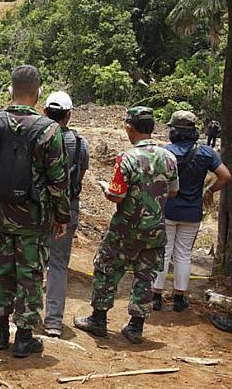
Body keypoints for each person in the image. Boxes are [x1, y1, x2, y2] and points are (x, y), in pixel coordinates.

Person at [0, 65, 70, 358]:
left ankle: (0, 333)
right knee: (30, 274)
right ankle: (25, 338)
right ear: (38, 92)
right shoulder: (50, 130)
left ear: (10, 90)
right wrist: (62, 217)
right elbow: (58, 179)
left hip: (0, 215)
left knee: (0, 270)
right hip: (34, 219)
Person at [75, 107, 179, 344]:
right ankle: (135, 327)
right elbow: (174, 191)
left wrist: (105, 187)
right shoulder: (169, 158)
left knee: (106, 268)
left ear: (130, 128)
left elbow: (116, 196)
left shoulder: (128, 158)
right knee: (145, 277)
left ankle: (98, 320)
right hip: (155, 230)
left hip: (125, 230)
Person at [152, 111, 231, 312]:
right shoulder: (206, 153)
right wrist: (210, 190)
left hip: (168, 211)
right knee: (183, 254)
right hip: (192, 213)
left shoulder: (165, 152)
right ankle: (179, 298)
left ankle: (156, 297)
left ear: (175, 131)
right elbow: (225, 176)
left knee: (164, 252)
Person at [42, 91, 89, 337]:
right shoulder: (80, 144)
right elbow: (78, 179)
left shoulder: (37, 138)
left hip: (38, 210)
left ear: (44, 112)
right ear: (69, 115)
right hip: (67, 210)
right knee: (58, 265)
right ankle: (53, 322)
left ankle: (24, 317)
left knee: (31, 262)